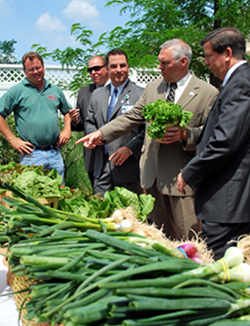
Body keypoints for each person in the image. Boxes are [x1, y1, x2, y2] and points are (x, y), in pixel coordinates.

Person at [76, 39, 218, 240]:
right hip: (151, 178)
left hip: (182, 179)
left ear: (183, 62)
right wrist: (101, 133)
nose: (158, 67)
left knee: (188, 239)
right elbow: (132, 117)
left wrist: (186, 134)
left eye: (164, 63)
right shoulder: (153, 88)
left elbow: (213, 134)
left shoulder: (207, 93)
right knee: (157, 238)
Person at [177, 27, 250, 259]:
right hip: (232, 199)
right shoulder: (239, 81)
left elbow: (225, 141)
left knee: (221, 265)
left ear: (227, 53)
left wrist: (190, 172)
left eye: (209, 56)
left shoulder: (240, 84)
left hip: (227, 201)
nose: (206, 63)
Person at [0, 51, 71, 183]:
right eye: (31, 69)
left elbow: (67, 111)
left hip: (55, 153)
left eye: (38, 68)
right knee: (33, 197)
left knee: (59, 195)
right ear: (24, 71)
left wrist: (67, 129)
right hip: (31, 155)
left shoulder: (54, 90)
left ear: (43, 67)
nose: (35, 71)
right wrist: (12, 140)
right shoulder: (17, 91)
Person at [83, 48, 145, 197]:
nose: (118, 70)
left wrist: (130, 149)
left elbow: (147, 130)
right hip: (101, 167)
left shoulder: (141, 94)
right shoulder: (97, 95)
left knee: (128, 216)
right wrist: (94, 137)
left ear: (128, 67)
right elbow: (89, 122)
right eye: (113, 66)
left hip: (127, 166)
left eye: (122, 66)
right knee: (100, 213)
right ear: (107, 69)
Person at [69, 56, 110, 186]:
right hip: (93, 156)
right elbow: (81, 125)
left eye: (97, 68)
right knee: (99, 199)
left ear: (107, 68)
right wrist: (74, 120)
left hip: (118, 154)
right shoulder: (84, 92)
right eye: (90, 70)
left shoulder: (119, 90)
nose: (93, 72)